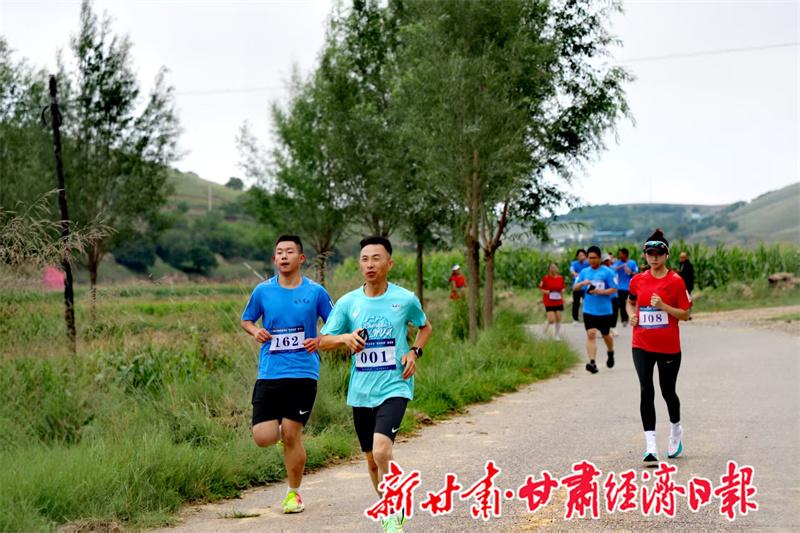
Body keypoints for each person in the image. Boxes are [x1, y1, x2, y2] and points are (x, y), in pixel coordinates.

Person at [319, 236, 432, 533]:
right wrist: (345, 338)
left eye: (376, 258)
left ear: (389, 264)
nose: (370, 264)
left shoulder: (405, 299)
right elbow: (323, 340)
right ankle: (390, 507)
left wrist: (414, 351)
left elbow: (425, 327)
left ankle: (393, 515)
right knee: (371, 461)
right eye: (365, 259)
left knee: (382, 452)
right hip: (361, 392)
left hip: (395, 385)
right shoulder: (348, 302)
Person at [239, 235, 334, 513]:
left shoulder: (315, 292)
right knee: (262, 437)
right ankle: (286, 432)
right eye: (279, 252)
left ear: (301, 258)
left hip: (303, 371)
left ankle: (294, 494)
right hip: (270, 371)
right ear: (274, 259)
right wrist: (256, 331)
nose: (283, 256)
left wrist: (320, 339)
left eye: (289, 251)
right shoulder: (262, 291)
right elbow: (246, 320)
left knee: (292, 434)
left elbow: (335, 322)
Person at [626, 229, 692, 463]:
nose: (654, 258)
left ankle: (676, 430)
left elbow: (685, 314)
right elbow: (630, 302)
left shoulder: (675, 281)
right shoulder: (638, 280)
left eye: (659, 254)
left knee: (667, 392)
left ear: (666, 255)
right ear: (645, 255)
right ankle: (650, 445)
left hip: (668, 347)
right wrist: (631, 315)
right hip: (641, 343)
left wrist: (664, 306)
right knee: (646, 389)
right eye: (650, 254)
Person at [573, 246, 618, 373]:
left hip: (604, 310)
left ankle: (610, 352)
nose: (591, 260)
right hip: (589, 310)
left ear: (599, 258)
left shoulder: (608, 272)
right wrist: (583, 283)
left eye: (594, 258)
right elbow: (575, 287)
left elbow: (614, 288)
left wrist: (601, 291)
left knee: (606, 335)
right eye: (589, 258)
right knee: (591, 334)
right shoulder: (584, 272)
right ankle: (592, 362)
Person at [613, 247, 639, 327]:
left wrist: (630, 272)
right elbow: (613, 268)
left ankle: (632, 318)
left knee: (631, 303)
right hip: (620, 288)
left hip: (630, 287)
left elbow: (636, 274)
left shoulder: (632, 263)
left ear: (625, 255)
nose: (619, 256)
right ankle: (624, 320)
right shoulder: (618, 263)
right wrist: (622, 266)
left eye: (621, 254)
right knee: (621, 305)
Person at [538, 262, 565, 339]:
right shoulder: (545, 278)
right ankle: (544, 332)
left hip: (558, 300)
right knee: (551, 320)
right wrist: (545, 291)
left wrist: (563, 293)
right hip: (549, 301)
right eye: (551, 267)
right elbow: (540, 287)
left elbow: (563, 288)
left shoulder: (560, 278)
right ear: (549, 269)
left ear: (557, 268)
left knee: (558, 318)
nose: (553, 269)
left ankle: (557, 335)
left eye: (554, 267)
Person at [570, 249, 589, 324]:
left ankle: (587, 318)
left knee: (587, 303)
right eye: (580, 255)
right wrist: (575, 274)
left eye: (583, 255)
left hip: (585, 288)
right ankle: (575, 319)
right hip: (577, 287)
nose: (581, 257)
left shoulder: (587, 264)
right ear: (577, 256)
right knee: (576, 303)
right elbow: (572, 271)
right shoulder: (574, 264)